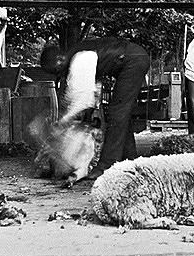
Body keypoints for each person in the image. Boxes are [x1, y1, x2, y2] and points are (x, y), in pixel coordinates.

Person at [40, 37, 150, 180]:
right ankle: (130, 159)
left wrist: (63, 121)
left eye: (56, 70)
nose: (58, 74)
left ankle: (107, 166)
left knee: (117, 113)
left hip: (134, 60)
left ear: (60, 60)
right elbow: (93, 91)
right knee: (120, 113)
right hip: (134, 57)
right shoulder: (78, 55)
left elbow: (83, 100)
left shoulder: (79, 60)